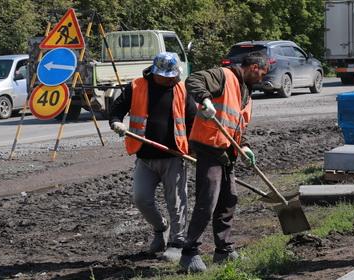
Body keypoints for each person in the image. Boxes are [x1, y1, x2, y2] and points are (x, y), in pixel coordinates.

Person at [179, 51, 269, 272]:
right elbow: (193, 80)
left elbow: (237, 126)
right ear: (254, 67)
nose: (262, 78)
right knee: (207, 200)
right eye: (263, 73)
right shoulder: (223, 76)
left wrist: (245, 147)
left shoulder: (246, 91)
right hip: (209, 147)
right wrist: (205, 99)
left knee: (229, 199)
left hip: (228, 151)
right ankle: (189, 252)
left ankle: (224, 250)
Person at [109, 52, 197, 262]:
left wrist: (194, 149)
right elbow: (116, 109)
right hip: (145, 156)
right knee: (141, 199)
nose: (170, 79)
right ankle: (161, 229)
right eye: (166, 75)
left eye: (173, 75)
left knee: (176, 202)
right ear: (155, 72)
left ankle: (177, 242)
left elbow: (193, 121)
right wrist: (116, 122)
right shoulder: (136, 87)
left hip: (174, 156)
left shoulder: (182, 89)